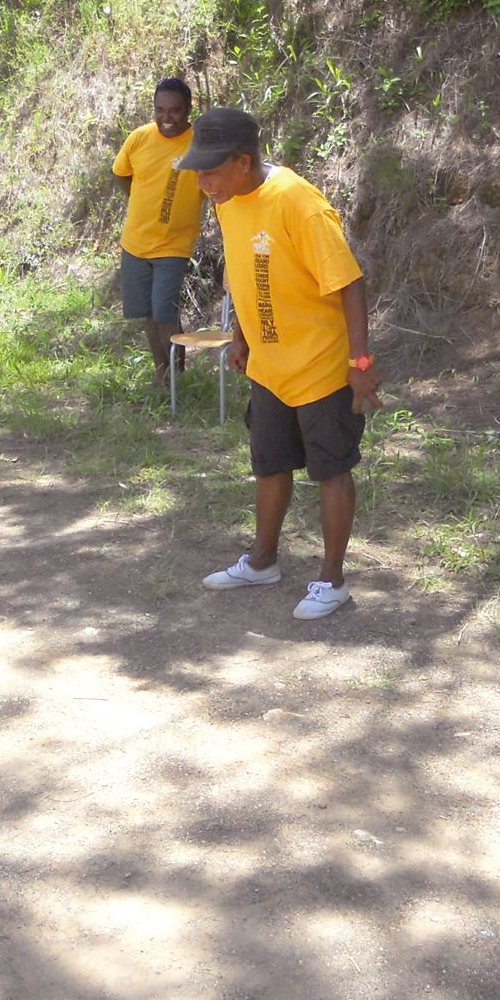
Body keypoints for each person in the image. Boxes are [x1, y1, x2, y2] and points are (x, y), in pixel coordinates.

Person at [180, 108, 383, 620]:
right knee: (269, 465)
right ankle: (263, 560)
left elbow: (349, 282)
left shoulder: (297, 201)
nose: (203, 182)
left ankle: (331, 580)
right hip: (270, 367)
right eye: (198, 171)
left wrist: (360, 361)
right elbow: (247, 272)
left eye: (211, 170)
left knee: (330, 470)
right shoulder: (227, 200)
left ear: (243, 161)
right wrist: (243, 338)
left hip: (319, 366)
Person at [112, 76, 201, 387]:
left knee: (165, 311)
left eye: (175, 111)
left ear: (189, 109)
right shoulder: (139, 138)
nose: (166, 118)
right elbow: (121, 174)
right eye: (160, 110)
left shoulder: (199, 144)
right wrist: (140, 201)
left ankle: (177, 375)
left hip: (174, 245)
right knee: (148, 313)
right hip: (135, 242)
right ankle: (162, 372)